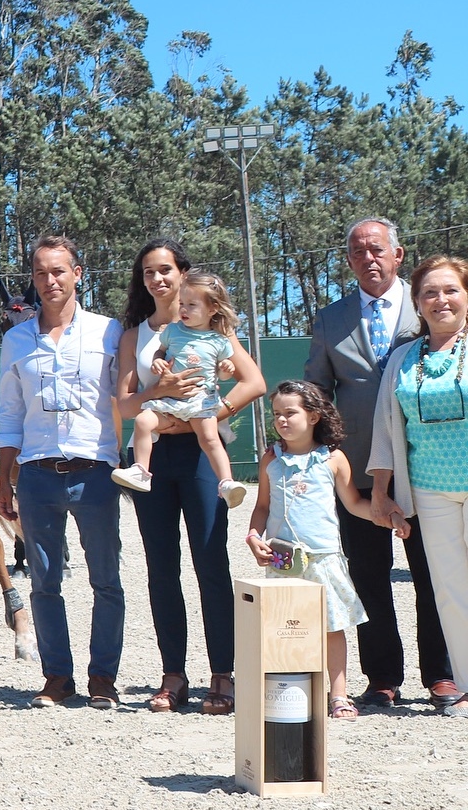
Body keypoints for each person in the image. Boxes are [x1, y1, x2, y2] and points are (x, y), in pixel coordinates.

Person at [306, 218, 457, 711]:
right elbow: (317, 392)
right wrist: (320, 452)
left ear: (398, 255)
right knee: (369, 577)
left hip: (423, 470)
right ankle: (383, 678)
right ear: (348, 261)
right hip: (356, 475)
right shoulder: (330, 320)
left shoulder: (425, 313)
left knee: (433, 574)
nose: (367, 258)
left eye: (376, 250)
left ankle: (442, 674)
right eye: (356, 252)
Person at [115, 240, 265, 715]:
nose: (157, 279)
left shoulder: (212, 329)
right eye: (148, 273)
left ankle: (223, 674)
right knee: (162, 570)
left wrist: (209, 413)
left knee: (210, 565)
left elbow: (254, 382)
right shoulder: (135, 337)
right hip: (154, 459)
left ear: (183, 274)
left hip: (201, 456)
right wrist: (157, 390)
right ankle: (173, 675)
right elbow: (123, 405)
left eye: (165, 270)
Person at [0, 235, 125, 710]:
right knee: (44, 582)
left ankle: (103, 677)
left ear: (78, 274)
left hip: (94, 472)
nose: (50, 281)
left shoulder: (109, 332)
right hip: (37, 474)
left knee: (105, 580)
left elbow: (124, 398)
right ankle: (57, 676)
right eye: (41, 273)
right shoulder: (15, 340)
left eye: (59, 271)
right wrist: (5, 480)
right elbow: (10, 414)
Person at [248, 381, 391, 720]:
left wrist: (384, 515)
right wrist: (254, 535)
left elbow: (354, 503)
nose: (282, 420)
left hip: (325, 559)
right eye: (277, 414)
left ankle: (338, 695)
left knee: (331, 627)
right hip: (283, 562)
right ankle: (288, 693)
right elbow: (262, 506)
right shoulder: (272, 458)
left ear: (313, 416)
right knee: (285, 627)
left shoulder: (333, 458)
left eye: (290, 413)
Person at [369, 254, 468, 719]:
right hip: (428, 489)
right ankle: (465, 684)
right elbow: (387, 431)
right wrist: (382, 492)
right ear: (417, 303)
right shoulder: (403, 360)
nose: (440, 300)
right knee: (448, 589)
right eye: (430, 292)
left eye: (450, 290)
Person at [113, 272, 249, 508]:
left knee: (210, 439)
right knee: (144, 421)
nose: (184, 309)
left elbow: (225, 374)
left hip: (201, 403)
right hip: (169, 402)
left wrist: (226, 367)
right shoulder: (173, 331)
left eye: (192, 305)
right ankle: (141, 471)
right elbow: (161, 351)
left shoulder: (219, 340)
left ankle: (226, 481)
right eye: (182, 304)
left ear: (213, 309)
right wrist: (157, 360)